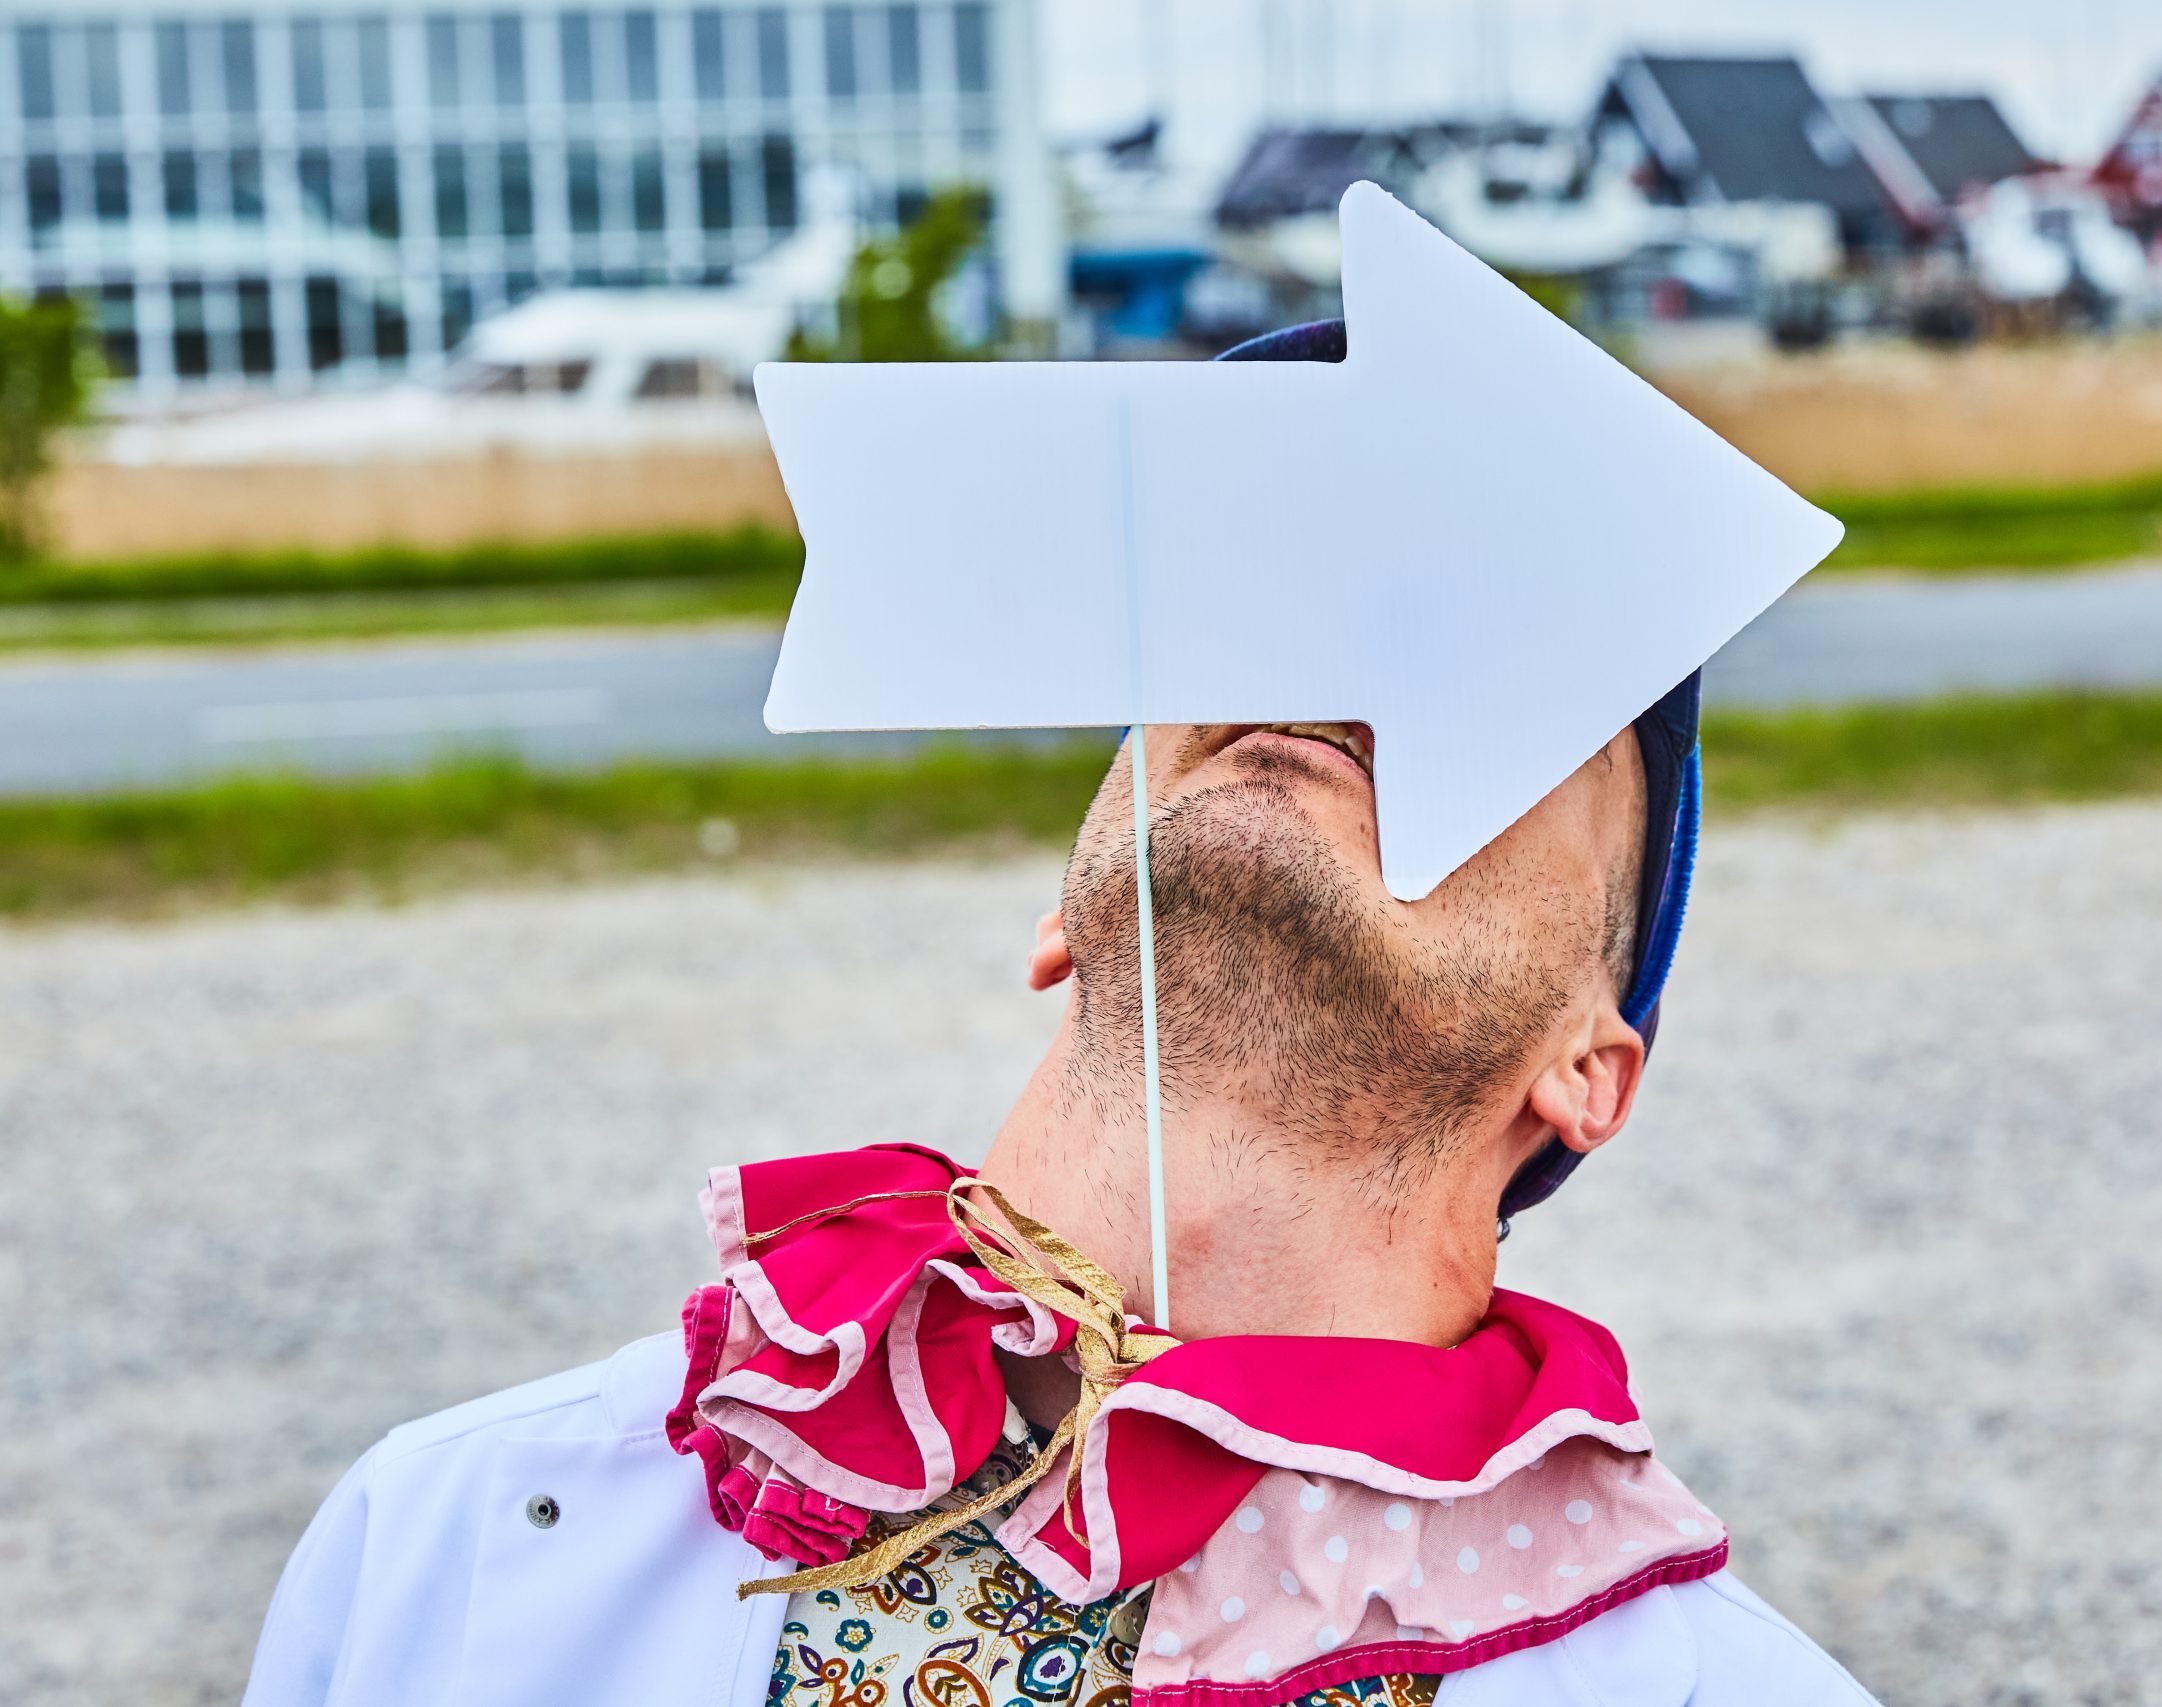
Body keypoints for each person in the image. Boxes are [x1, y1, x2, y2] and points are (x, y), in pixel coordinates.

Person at [244, 324, 1878, 1707]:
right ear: (1066, 908)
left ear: (1590, 1070)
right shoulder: (437, 1554)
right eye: (1278, 588)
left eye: (1501, 655)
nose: (1343, 655)